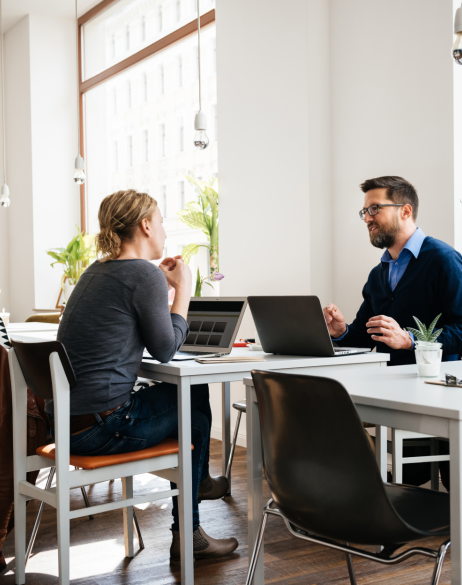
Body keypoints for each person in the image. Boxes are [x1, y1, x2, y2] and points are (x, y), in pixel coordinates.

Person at [46, 189, 238, 564]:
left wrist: (162, 290)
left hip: (68, 426)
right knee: (194, 410)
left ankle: (198, 486)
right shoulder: (141, 274)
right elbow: (166, 350)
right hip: (103, 428)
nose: (165, 230)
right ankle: (191, 530)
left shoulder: (96, 271)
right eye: (162, 221)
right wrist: (182, 287)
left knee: (188, 396)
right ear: (145, 225)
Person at [323, 176, 462, 487]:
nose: (368, 218)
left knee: (451, 485)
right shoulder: (380, 273)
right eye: (364, 212)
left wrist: (410, 340)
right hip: (391, 390)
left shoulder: (443, 260)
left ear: (405, 210)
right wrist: (341, 331)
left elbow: (461, 327)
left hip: (435, 394)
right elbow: (363, 334)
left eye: (375, 209)